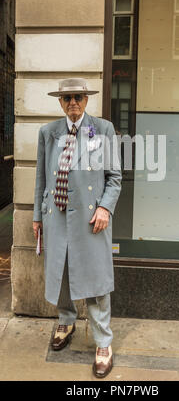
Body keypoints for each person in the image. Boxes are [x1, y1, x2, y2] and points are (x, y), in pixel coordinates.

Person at [32, 78, 121, 378]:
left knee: (96, 281)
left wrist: (106, 207)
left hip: (90, 218)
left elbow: (115, 177)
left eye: (78, 97)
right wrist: (36, 216)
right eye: (67, 97)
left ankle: (103, 343)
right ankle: (66, 320)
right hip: (55, 217)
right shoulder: (48, 133)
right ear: (60, 101)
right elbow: (40, 180)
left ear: (86, 100)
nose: (73, 102)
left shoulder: (103, 129)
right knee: (61, 272)